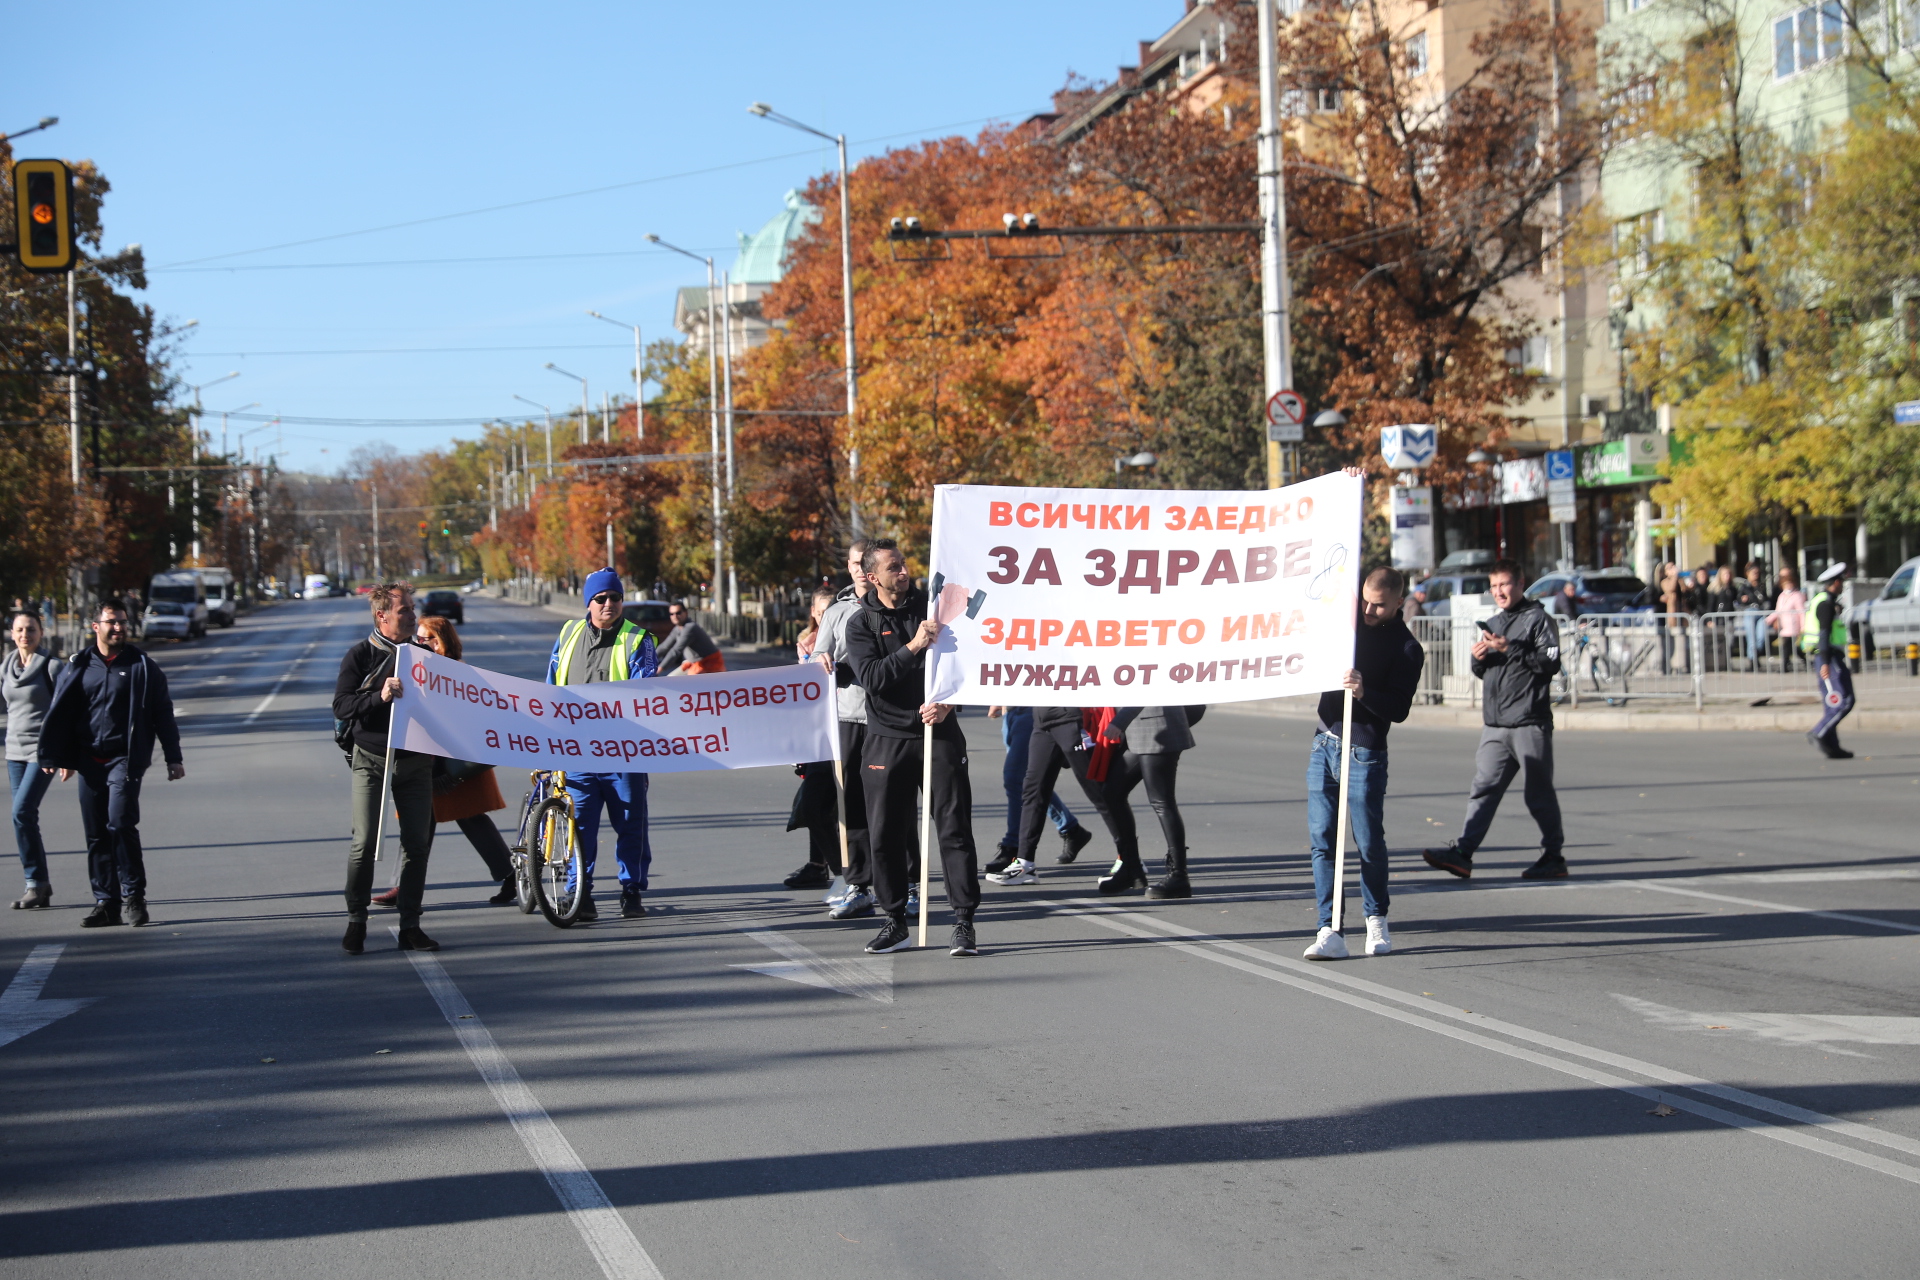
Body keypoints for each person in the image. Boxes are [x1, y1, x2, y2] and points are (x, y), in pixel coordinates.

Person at [844, 540, 981, 956]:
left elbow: (969, 660)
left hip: (938, 734)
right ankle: (894, 920)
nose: (903, 572)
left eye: (904, 565)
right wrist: (915, 646)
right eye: (893, 567)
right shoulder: (860, 623)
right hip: (887, 738)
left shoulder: (935, 607)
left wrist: (949, 702)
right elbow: (873, 678)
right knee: (885, 833)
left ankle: (963, 922)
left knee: (954, 829)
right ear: (872, 577)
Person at [37, 599, 185, 928]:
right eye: (111, 622)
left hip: (125, 759)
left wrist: (173, 757)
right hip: (89, 758)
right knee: (95, 834)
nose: (118, 628)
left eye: (122, 622)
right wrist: (57, 755)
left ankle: (134, 897)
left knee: (119, 823)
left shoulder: (142, 667)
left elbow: (163, 713)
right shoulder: (78, 665)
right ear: (96, 627)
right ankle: (106, 902)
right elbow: (61, 713)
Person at [1303, 568, 1426, 960]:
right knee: (1322, 840)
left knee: (1368, 841)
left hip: (1365, 751)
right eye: (1365, 601)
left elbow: (1400, 708)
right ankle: (1329, 928)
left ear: (1397, 603)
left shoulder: (1407, 648)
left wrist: (1364, 692)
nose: (1369, 610)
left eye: (1379, 605)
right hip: (1324, 742)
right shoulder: (1345, 628)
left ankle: (1376, 918)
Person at [1423, 557, 1567, 881]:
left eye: (1504, 584)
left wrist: (1510, 649)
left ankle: (1554, 856)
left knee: (1538, 794)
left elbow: (1550, 663)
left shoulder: (1538, 620)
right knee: (1483, 787)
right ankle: (1463, 854)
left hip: (1530, 721)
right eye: (1493, 586)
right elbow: (1490, 670)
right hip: (1496, 725)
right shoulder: (1495, 621)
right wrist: (1479, 661)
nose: (1498, 591)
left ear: (1519, 583)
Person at [545, 568, 659, 918]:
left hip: (623, 755)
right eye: (601, 598)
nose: (609, 603)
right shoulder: (568, 633)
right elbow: (550, 687)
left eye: (615, 598)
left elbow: (648, 692)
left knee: (630, 823)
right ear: (588, 602)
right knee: (580, 828)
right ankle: (580, 895)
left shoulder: (638, 639)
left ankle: (631, 891)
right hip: (578, 753)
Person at [332, 582, 436, 953]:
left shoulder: (424, 656)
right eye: (405, 609)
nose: (412, 615)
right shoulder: (360, 656)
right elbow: (342, 706)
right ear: (382, 616)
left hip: (414, 761)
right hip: (372, 760)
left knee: (416, 844)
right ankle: (356, 920)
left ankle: (411, 924)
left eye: (412, 608)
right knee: (364, 842)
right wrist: (381, 696)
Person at [415, 615, 518, 905]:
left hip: (457, 764)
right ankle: (405, 886)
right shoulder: (418, 669)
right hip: (433, 762)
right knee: (423, 822)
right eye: (421, 639)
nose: (426, 644)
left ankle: (513, 878)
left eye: (431, 638)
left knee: (469, 819)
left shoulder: (458, 673)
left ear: (445, 641)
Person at [1100, 705, 1198, 899]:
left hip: (1159, 728)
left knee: (1161, 801)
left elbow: (1145, 689)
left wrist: (1119, 722)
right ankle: (1130, 868)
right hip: (1141, 731)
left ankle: (1178, 875)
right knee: (1111, 793)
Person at [982, 705, 1094, 874]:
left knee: (1016, 779)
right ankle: (1071, 829)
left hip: (1034, 710)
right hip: (1011, 711)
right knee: (1032, 782)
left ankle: (1014, 847)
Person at [783, 586, 842, 891]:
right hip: (815, 736)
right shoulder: (806, 644)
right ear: (814, 614)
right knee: (817, 803)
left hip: (840, 733)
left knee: (818, 805)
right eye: (820, 612)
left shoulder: (843, 638)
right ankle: (819, 865)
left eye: (831, 610)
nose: (825, 616)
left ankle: (846, 874)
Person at [6, 612, 61, 909]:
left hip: (40, 753)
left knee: (21, 812)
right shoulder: (6, 666)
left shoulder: (52, 667)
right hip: (13, 752)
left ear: (41, 632)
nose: (25, 634)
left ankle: (34, 883)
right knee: (24, 818)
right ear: (12, 633)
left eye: (31, 629)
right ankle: (39, 885)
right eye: (19, 630)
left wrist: (62, 754)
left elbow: (67, 712)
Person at [1804, 562, 1854, 759]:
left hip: (1827, 656)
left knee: (1833, 703)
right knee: (1845, 700)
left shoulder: (1824, 601)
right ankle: (1818, 731)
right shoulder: (1825, 604)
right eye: (1842, 581)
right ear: (1835, 582)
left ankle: (1832, 747)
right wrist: (1825, 662)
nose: (1843, 585)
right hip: (1828, 657)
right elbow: (1823, 634)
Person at [657, 602, 724, 675]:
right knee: (671, 679)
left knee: (689, 684)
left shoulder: (690, 628)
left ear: (685, 613)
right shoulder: (677, 628)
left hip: (709, 666)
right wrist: (647, 659)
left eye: (678, 613)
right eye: (671, 614)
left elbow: (676, 650)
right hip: (693, 663)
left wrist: (659, 668)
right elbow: (664, 647)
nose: (675, 616)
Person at [1767, 568, 1806, 673]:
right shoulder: (1781, 596)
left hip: (1794, 626)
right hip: (1785, 627)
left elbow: (1801, 612)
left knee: (1789, 647)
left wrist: (1803, 626)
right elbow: (1777, 611)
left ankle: (1784, 665)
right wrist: (1768, 620)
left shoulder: (1797, 596)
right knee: (1790, 648)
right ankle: (1803, 662)